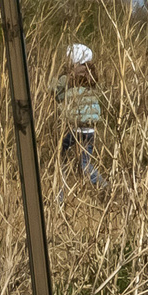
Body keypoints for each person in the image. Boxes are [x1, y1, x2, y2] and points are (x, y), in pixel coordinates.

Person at [56, 42, 103, 188]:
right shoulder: (91, 76)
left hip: (75, 128)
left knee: (60, 159)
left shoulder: (68, 77)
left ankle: (59, 194)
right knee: (85, 164)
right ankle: (104, 186)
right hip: (90, 129)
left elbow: (56, 94)